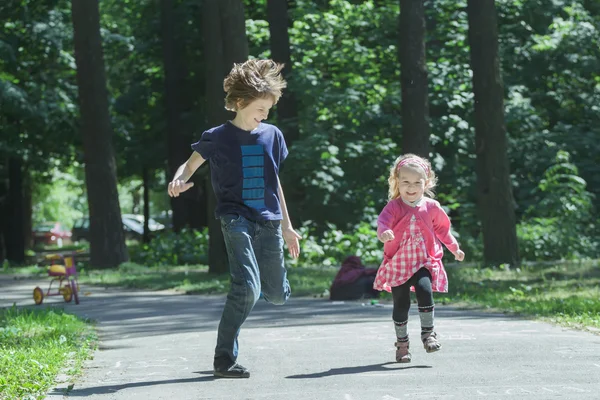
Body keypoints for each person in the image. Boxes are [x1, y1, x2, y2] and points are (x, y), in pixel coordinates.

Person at [167, 59, 301, 378]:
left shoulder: (273, 135)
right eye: (260, 109)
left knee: (277, 296)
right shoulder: (217, 136)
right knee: (247, 286)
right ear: (240, 103)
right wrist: (177, 180)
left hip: (268, 221)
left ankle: (271, 288)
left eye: (268, 110)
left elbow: (274, 181)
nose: (264, 116)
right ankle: (224, 358)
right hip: (235, 218)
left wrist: (287, 225)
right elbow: (189, 164)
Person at [373, 153, 465, 363]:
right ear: (397, 182)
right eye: (405, 182)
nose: (411, 187)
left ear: (427, 182)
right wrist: (384, 233)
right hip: (399, 262)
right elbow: (383, 223)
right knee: (401, 303)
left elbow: (443, 230)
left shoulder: (432, 207)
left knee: (425, 290)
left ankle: (428, 334)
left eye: (417, 182)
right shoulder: (394, 206)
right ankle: (402, 345)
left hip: (423, 260)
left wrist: (454, 248)